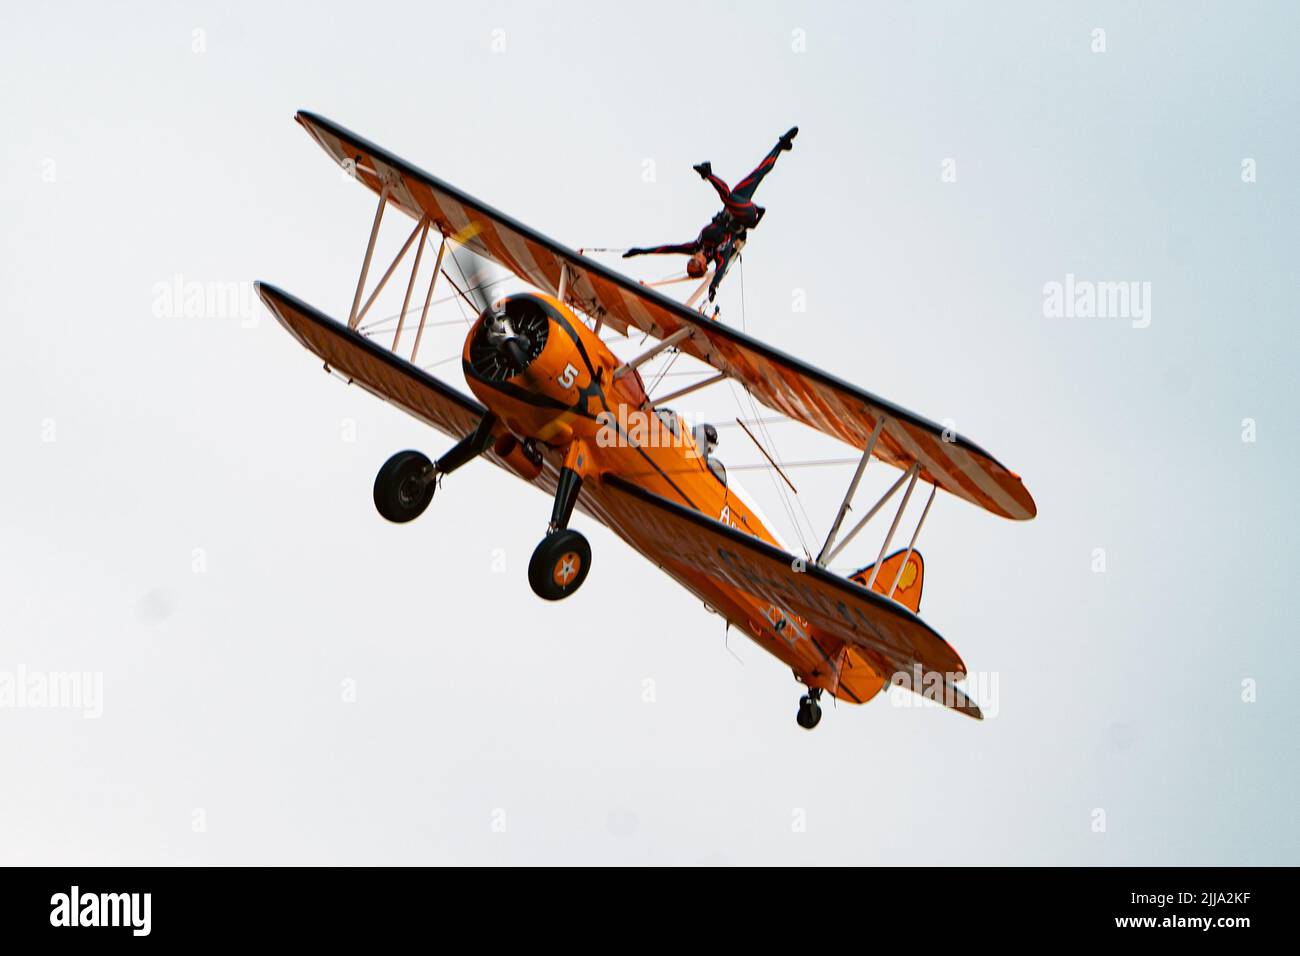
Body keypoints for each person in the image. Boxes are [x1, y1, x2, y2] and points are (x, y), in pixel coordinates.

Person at [623, 127, 798, 297]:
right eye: (695, 263)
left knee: (758, 173)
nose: (694, 258)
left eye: (690, 261)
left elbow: (668, 248)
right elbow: (720, 269)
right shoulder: (719, 252)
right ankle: (708, 174)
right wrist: (714, 286)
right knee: (728, 196)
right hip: (746, 216)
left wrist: (641, 251)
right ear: (705, 266)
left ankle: (781, 145)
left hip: (731, 207)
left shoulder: (695, 246)